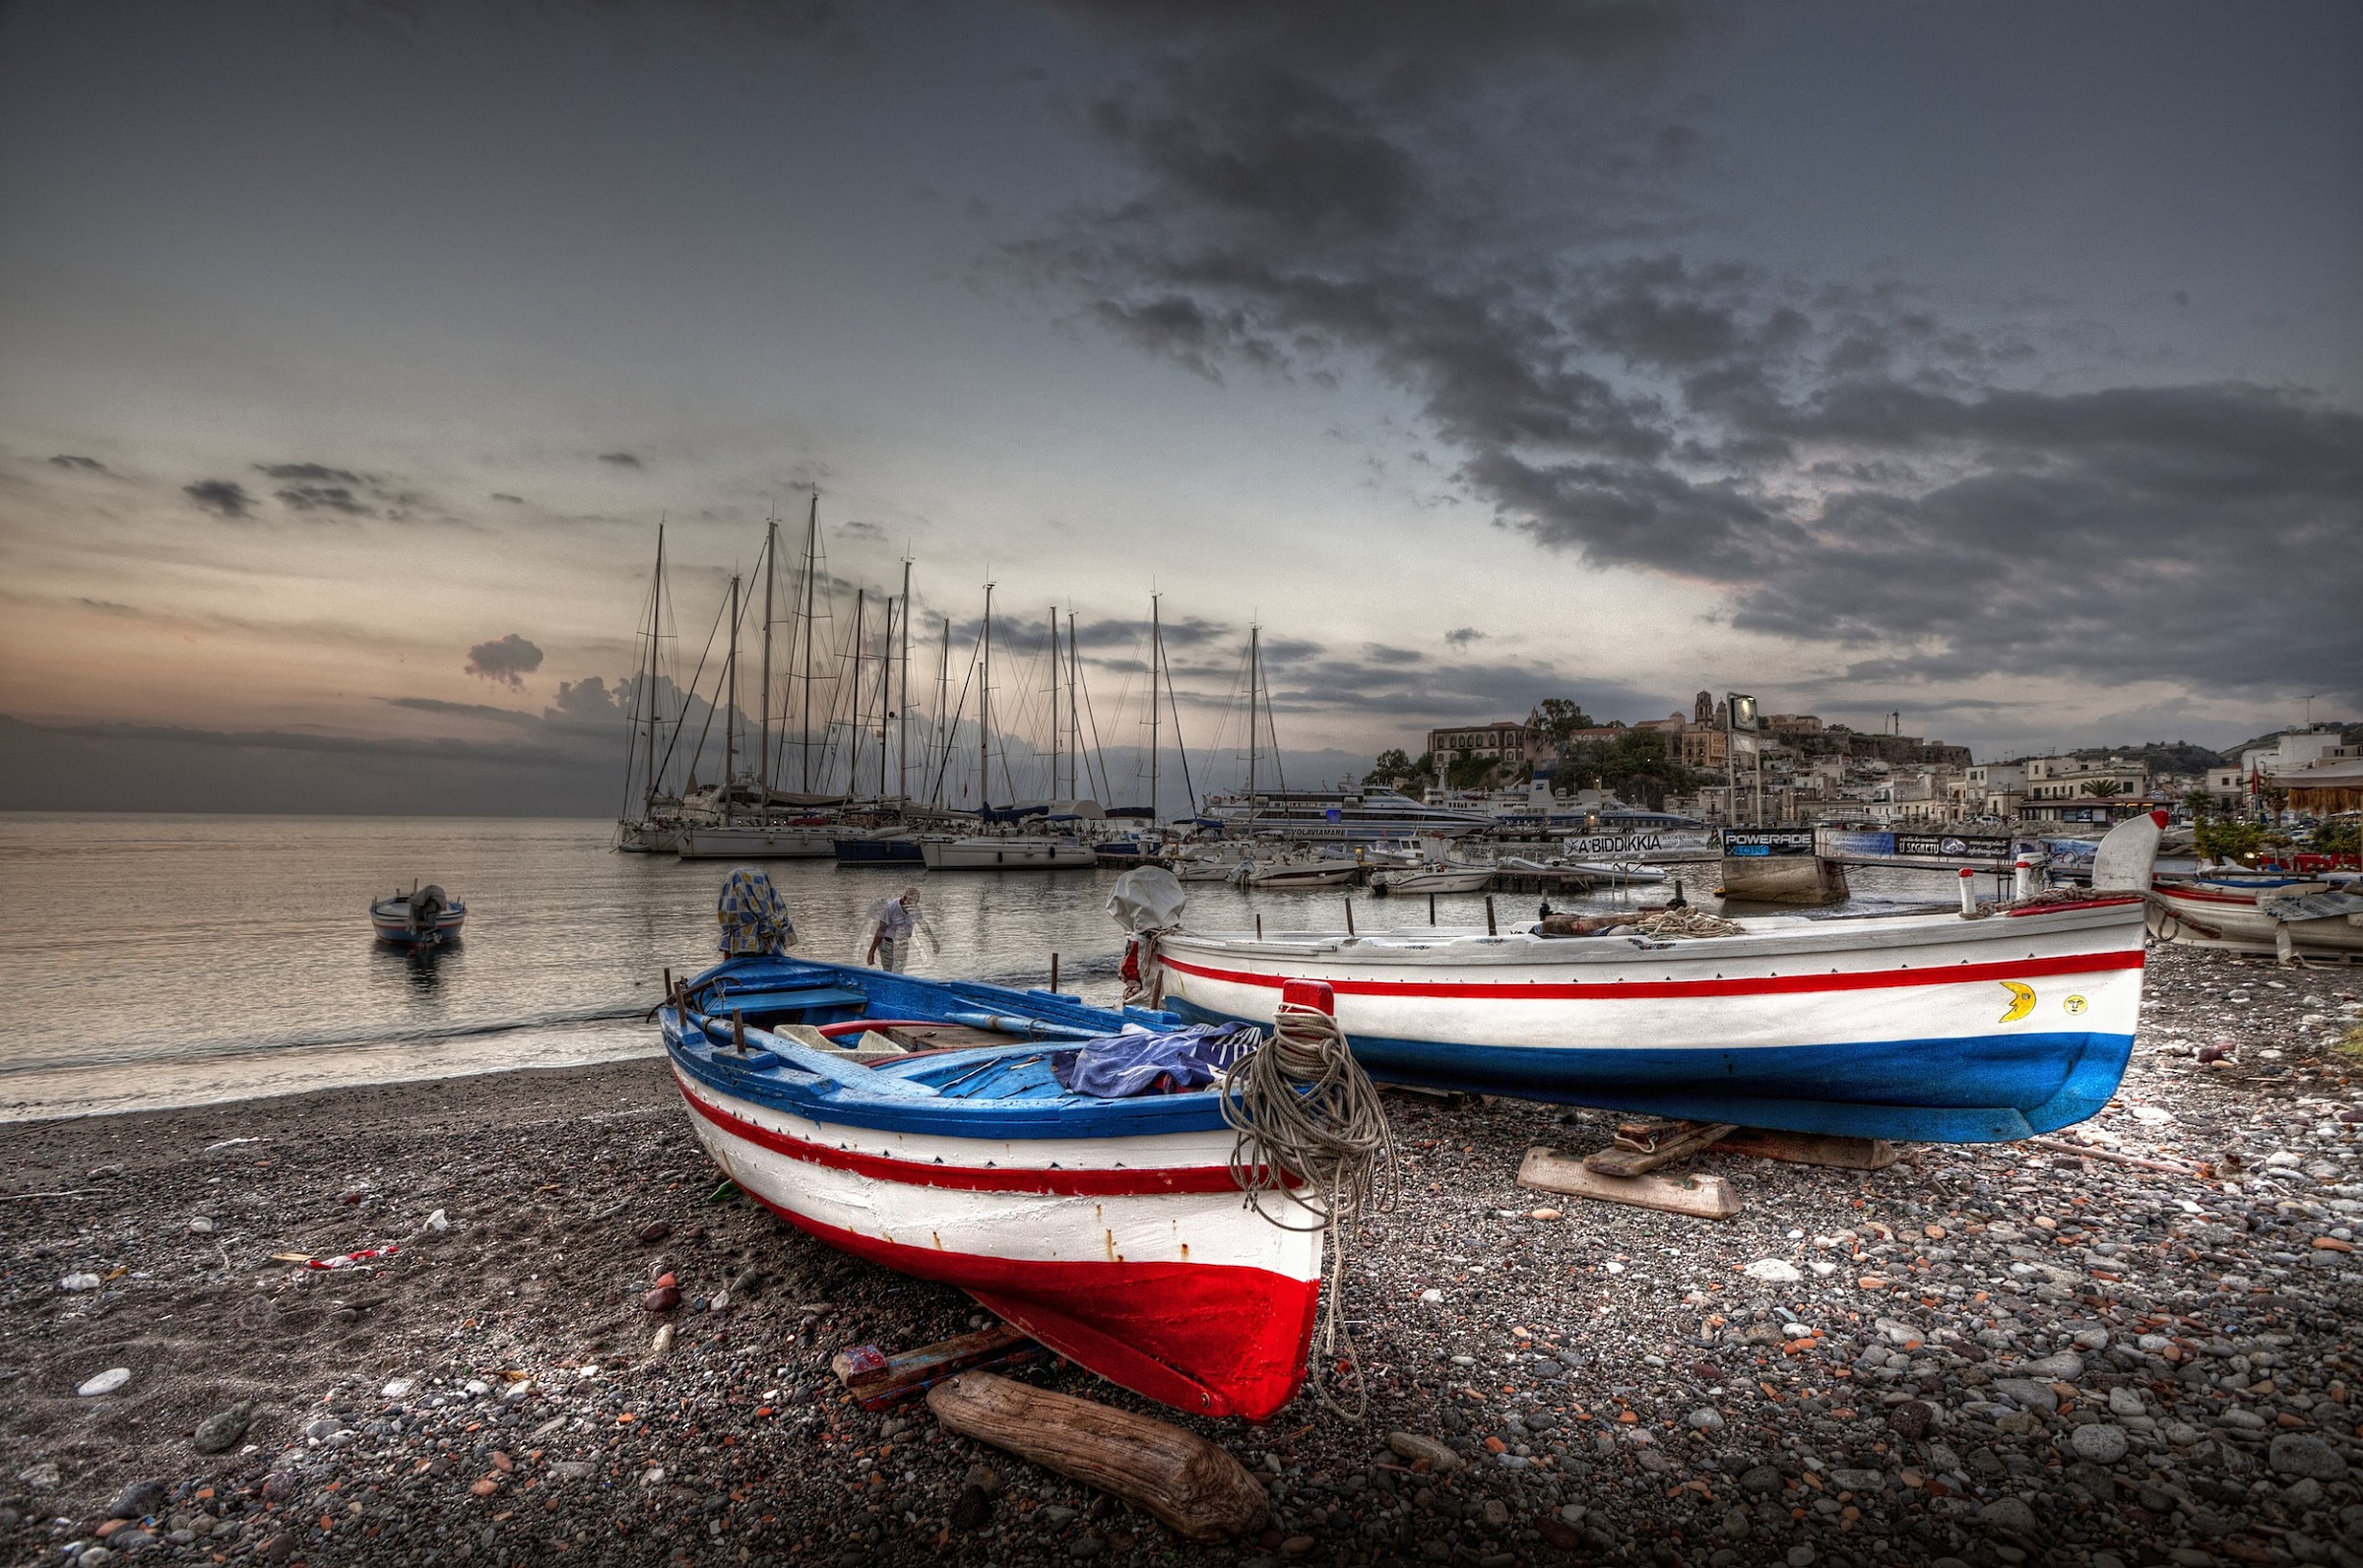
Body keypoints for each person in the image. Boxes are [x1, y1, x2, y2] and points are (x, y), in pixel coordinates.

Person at [865, 885, 932, 972]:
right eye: (909, 905)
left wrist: (933, 941)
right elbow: (881, 930)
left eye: (914, 905)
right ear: (904, 899)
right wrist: (871, 952)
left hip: (902, 943)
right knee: (888, 971)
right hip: (887, 942)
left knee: (899, 971)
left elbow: (923, 925)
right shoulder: (890, 908)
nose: (911, 908)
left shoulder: (916, 909)